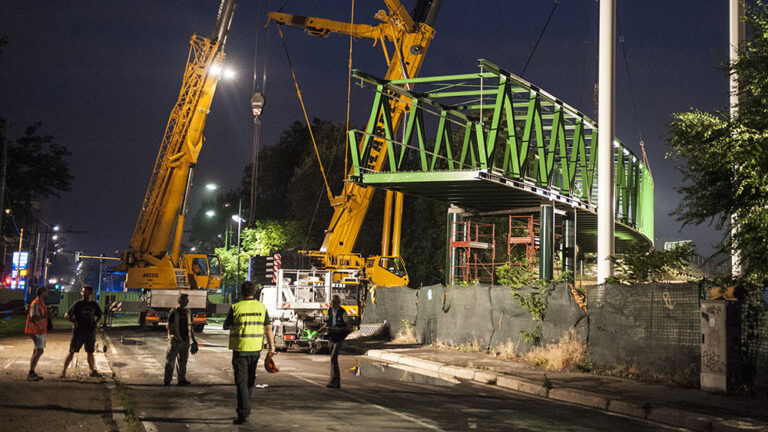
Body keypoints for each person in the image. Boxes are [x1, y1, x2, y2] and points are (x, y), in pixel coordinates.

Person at [224, 281, 275, 425]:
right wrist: (272, 349)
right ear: (254, 292)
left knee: (241, 382)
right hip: (255, 349)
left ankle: (243, 413)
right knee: (250, 381)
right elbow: (268, 329)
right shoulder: (261, 307)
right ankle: (246, 408)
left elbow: (225, 326)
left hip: (240, 349)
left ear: (242, 292)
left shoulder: (236, 307)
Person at [61, 285, 103, 378]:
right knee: (72, 351)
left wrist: (96, 323)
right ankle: (63, 371)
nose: (83, 294)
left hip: (90, 332)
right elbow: (66, 315)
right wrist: (74, 321)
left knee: (90, 352)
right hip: (78, 332)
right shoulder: (78, 304)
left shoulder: (94, 304)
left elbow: (100, 314)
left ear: (90, 294)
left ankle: (92, 370)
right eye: (82, 292)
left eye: (85, 292)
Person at [164, 293, 197, 386]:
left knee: (183, 362)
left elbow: (191, 327)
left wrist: (194, 340)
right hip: (175, 341)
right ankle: (167, 380)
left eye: (187, 300)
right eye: (185, 300)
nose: (187, 302)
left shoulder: (188, 312)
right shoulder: (174, 312)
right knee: (170, 361)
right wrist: (177, 337)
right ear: (180, 301)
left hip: (185, 341)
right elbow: (169, 326)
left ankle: (181, 380)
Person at [319, 295, 351, 389]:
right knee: (333, 359)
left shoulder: (342, 312)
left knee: (333, 357)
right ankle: (335, 381)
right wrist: (318, 331)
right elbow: (326, 324)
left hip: (339, 337)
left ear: (338, 303)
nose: (332, 303)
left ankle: (335, 380)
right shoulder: (329, 311)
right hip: (332, 336)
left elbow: (348, 326)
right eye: (331, 302)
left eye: (334, 302)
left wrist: (338, 329)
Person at [25, 286, 49, 381]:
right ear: (42, 292)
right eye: (46, 292)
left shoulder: (41, 303)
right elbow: (33, 317)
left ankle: (32, 371)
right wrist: (45, 316)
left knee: (36, 351)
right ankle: (31, 373)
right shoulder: (36, 304)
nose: (47, 293)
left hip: (40, 330)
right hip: (36, 330)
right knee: (40, 351)